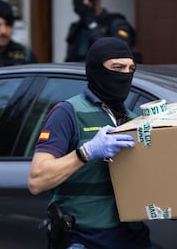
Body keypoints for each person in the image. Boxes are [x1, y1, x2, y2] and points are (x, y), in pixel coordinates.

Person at [28, 37, 152, 249]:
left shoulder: (134, 121)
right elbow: (36, 180)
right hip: (84, 238)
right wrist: (85, 153)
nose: (125, 75)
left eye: (131, 69)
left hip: (131, 238)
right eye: (117, 68)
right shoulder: (67, 113)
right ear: (96, 70)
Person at [65, 0, 138, 63]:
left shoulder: (115, 23)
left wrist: (92, 24)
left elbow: (116, 52)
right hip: (78, 73)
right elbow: (70, 59)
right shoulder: (76, 27)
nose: (85, 2)